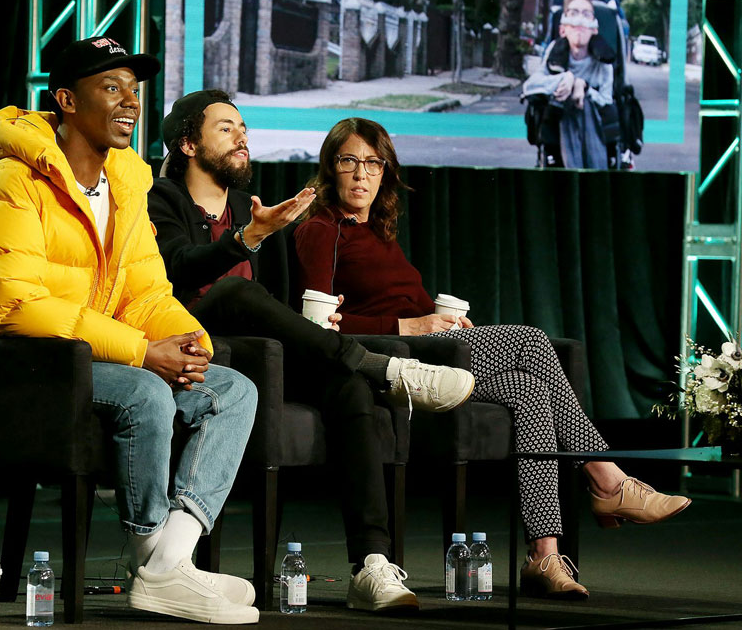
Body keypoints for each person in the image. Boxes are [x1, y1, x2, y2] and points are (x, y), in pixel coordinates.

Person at [0, 38, 260, 625]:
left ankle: (165, 564)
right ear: (66, 100)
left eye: (134, 89)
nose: (130, 102)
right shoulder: (13, 178)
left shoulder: (126, 184)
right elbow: (15, 305)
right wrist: (141, 352)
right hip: (7, 358)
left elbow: (146, 291)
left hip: (84, 352)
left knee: (232, 388)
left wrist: (187, 344)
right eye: (111, 88)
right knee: (146, 389)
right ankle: (153, 556)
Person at [293, 116, 692, 600]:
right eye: (349, 161)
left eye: (373, 163)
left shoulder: (376, 230)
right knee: (529, 340)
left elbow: (397, 302)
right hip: (388, 364)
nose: (361, 174)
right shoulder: (320, 228)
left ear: (386, 173)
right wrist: (409, 327)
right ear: (330, 169)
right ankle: (607, 479)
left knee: (530, 390)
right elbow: (315, 328)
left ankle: (544, 556)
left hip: (429, 352)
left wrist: (438, 322)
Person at [148, 89, 475, 614]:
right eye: (226, 129)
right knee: (233, 292)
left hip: (261, 357)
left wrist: (314, 321)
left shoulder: (245, 206)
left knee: (347, 389)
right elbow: (177, 269)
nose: (242, 138)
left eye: (244, 129)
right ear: (188, 143)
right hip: (189, 346)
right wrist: (248, 237)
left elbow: (273, 302)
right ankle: (381, 366)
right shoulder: (160, 198)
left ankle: (371, 564)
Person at [524, 0, 615, 169]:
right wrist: (567, 79)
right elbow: (530, 87)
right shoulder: (554, 51)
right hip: (559, 128)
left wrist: (584, 87)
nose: (580, 20)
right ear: (562, 29)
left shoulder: (604, 63)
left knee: (584, 104)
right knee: (563, 101)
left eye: (586, 14)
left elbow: (607, 101)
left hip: (594, 131)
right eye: (573, 13)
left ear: (594, 29)